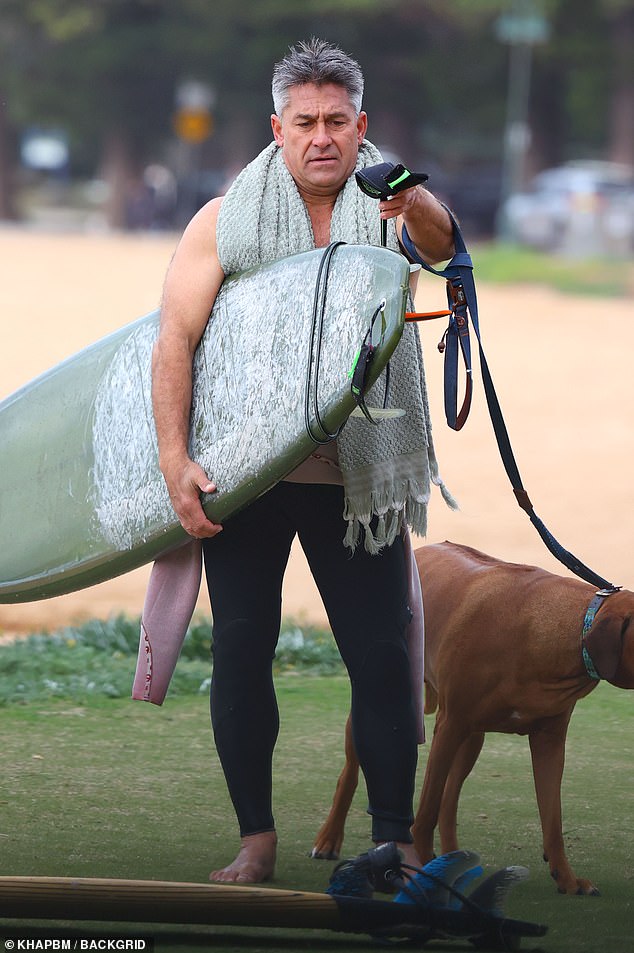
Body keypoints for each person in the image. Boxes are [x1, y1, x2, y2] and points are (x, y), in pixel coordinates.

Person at [151, 37, 456, 884]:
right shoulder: (224, 219)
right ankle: (257, 839)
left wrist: (408, 201)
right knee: (243, 649)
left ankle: (393, 839)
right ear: (276, 129)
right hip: (244, 472)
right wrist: (177, 460)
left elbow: (442, 246)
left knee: (383, 655)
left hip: (355, 476)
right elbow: (173, 337)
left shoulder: (391, 202)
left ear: (362, 126)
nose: (322, 137)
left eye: (337, 122)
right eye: (304, 122)